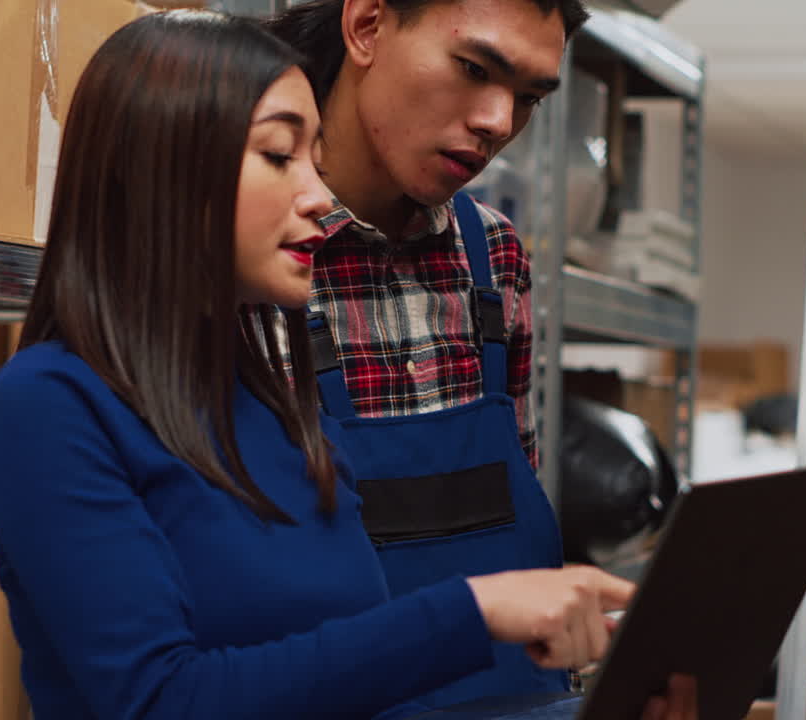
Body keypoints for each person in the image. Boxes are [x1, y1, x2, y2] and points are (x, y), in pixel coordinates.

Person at [0, 11, 695, 719]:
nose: (320, 197)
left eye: (313, 159)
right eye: (282, 156)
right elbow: (160, 700)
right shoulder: (49, 408)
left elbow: (356, 687)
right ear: (168, 167)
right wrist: (475, 612)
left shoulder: (269, 405)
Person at [262, 0, 589, 703]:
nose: (499, 123)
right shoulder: (250, 254)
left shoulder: (494, 258)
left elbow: (514, 528)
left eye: (529, 98)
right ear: (368, 24)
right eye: (474, 68)